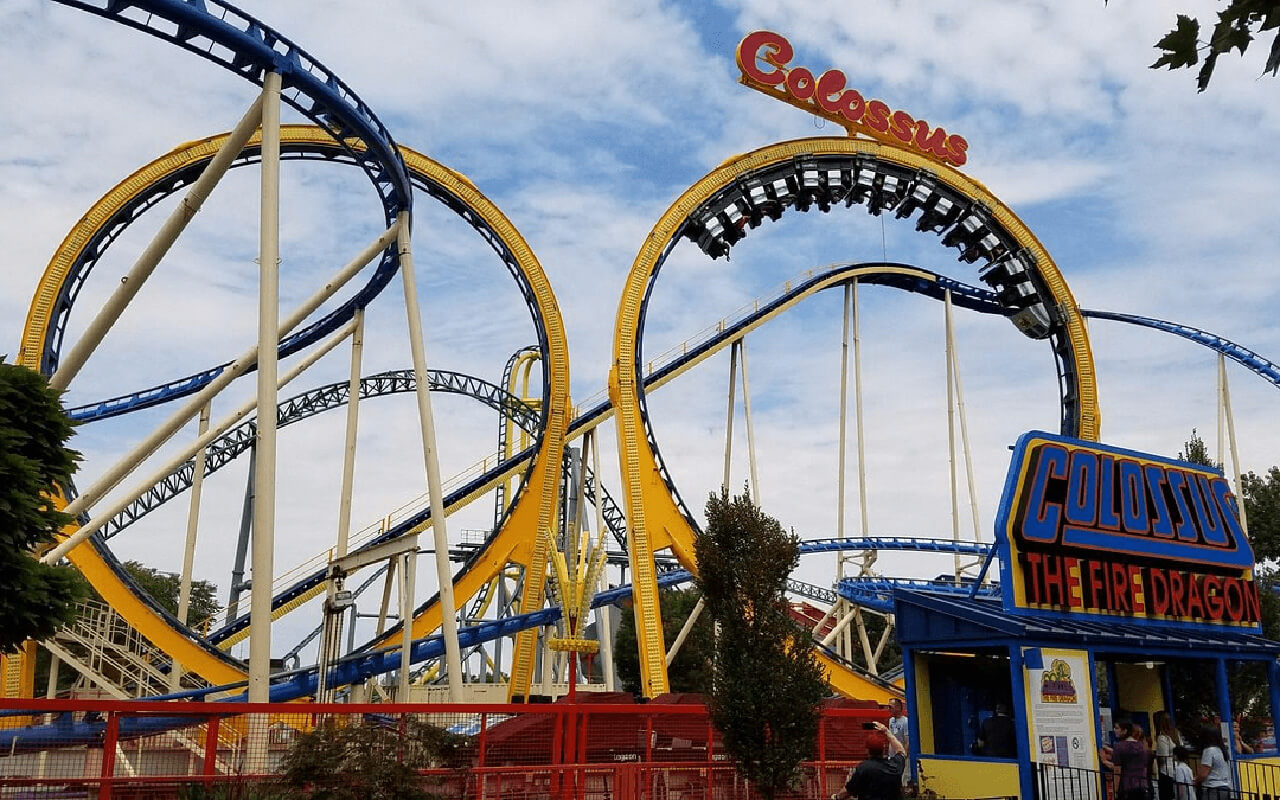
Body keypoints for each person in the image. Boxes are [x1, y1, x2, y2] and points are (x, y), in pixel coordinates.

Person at [831, 721, 906, 800]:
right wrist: (887, 732)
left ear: (867, 750)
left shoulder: (863, 768)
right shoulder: (895, 766)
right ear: (883, 750)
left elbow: (849, 791)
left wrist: (836, 797)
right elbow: (901, 750)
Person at [1111, 720, 1150, 800]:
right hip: (1141, 785)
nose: (1114, 730)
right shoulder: (1141, 746)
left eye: (1117, 728)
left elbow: (1117, 770)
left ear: (1125, 731)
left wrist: (1115, 790)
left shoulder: (1119, 747)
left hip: (1126, 786)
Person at [1153, 710, 1183, 800]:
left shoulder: (1162, 738)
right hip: (1176, 768)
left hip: (1165, 772)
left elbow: (1162, 758)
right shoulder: (1176, 734)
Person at [1197, 726, 1233, 800]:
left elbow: (1204, 773)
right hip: (1225, 786)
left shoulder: (1208, 751)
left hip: (1213, 787)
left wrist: (1196, 781)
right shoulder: (1221, 750)